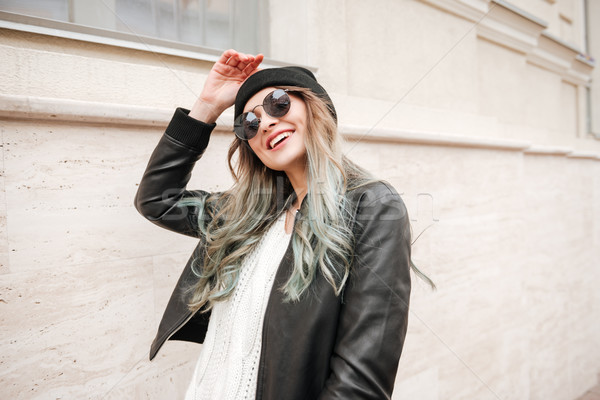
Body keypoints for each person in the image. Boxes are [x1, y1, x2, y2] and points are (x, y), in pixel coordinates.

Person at [135, 49, 414, 400]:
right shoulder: (243, 215)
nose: (264, 122)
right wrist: (207, 105)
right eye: (248, 123)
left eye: (278, 103)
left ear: (316, 107)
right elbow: (157, 200)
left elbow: (360, 381)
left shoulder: (372, 207)